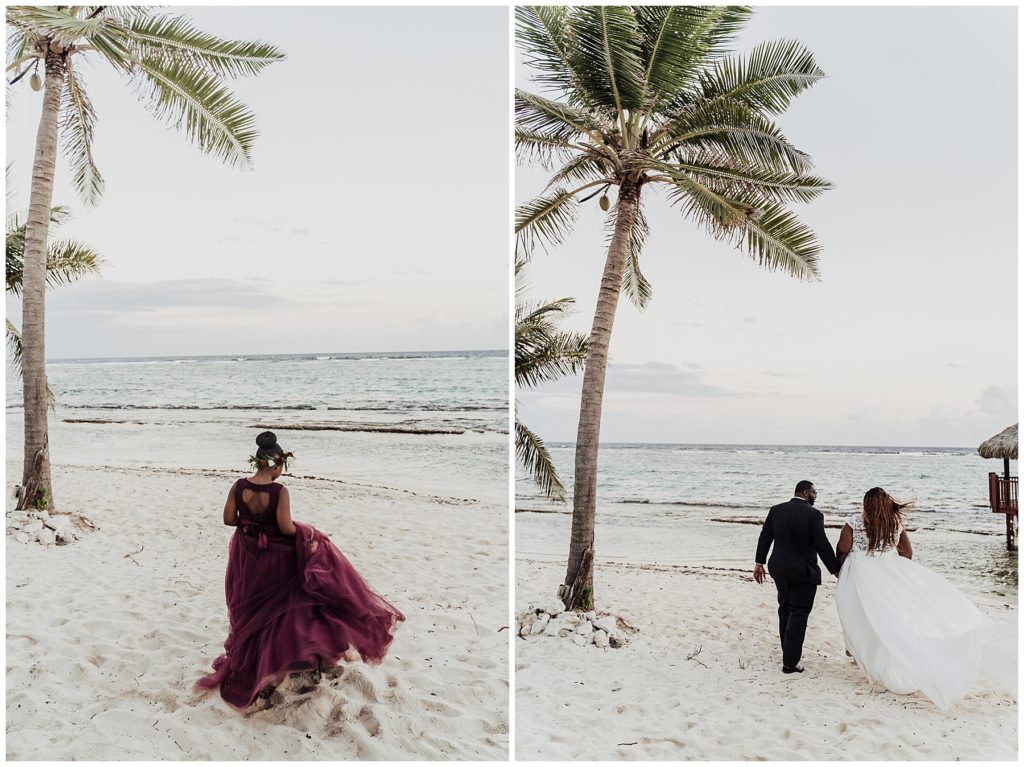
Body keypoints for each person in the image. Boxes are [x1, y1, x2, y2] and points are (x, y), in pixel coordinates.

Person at [196, 431, 405, 710]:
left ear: (257, 461)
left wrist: (251, 525)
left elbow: (227, 519)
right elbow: (285, 528)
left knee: (250, 606)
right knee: (280, 604)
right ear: (276, 464)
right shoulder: (279, 491)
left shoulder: (238, 486)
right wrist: (309, 532)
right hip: (273, 555)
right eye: (282, 467)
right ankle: (286, 659)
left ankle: (256, 660)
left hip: (246, 554)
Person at [835, 487, 1017, 710]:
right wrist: (896, 570)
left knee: (861, 616)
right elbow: (907, 553)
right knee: (890, 618)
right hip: (890, 575)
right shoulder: (894, 524)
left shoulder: (854, 522)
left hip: (861, 575)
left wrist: (845, 568)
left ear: (866, 504)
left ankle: (860, 653)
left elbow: (842, 549)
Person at [754, 480, 839, 674]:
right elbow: (822, 544)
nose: (816, 496)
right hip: (803, 571)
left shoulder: (776, 510)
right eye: (815, 493)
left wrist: (759, 563)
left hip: (779, 568)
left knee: (785, 609)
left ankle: (788, 653)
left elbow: (765, 537)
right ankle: (790, 663)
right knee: (798, 613)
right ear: (806, 492)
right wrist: (835, 569)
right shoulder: (814, 514)